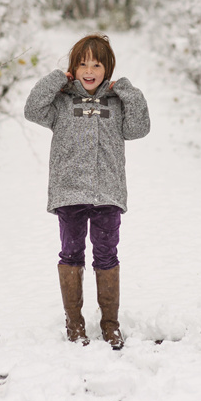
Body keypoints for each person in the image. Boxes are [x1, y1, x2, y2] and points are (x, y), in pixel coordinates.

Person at [24, 34, 150, 350]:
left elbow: (139, 128)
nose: (89, 71)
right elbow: (32, 109)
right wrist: (56, 80)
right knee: (71, 253)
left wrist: (128, 91)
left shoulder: (116, 102)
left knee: (106, 254)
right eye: (82, 64)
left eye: (96, 64)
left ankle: (110, 324)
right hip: (69, 192)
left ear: (107, 68)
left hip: (107, 192)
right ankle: (75, 323)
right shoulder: (62, 102)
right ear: (73, 69)